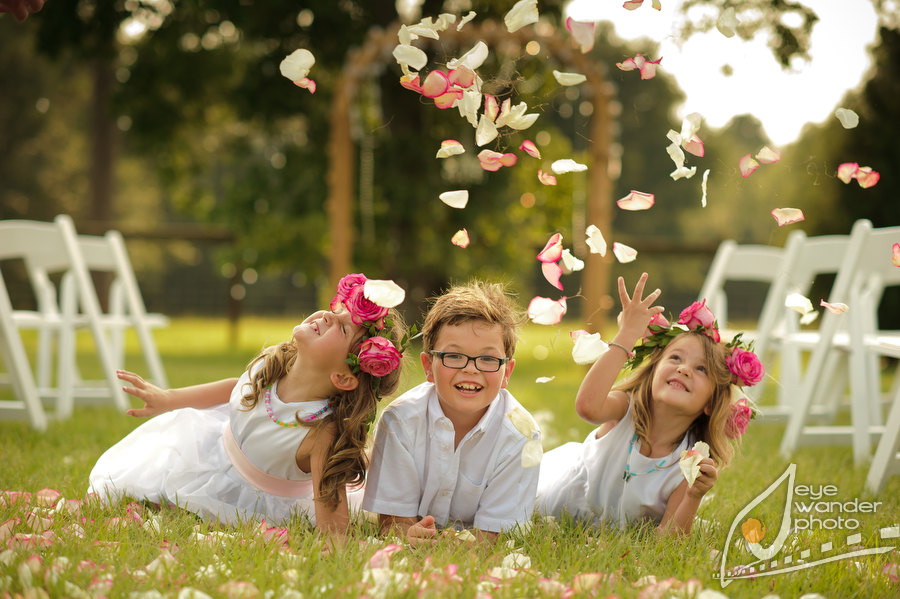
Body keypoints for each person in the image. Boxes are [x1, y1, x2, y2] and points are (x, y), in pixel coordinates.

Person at [88, 273, 409, 539]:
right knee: (143, 484)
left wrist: (335, 540)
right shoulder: (276, 363)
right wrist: (168, 399)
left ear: (343, 377)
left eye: (342, 327)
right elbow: (236, 388)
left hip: (257, 495)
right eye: (337, 310)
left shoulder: (322, 432)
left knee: (184, 505)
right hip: (212, 452)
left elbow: (332, 518)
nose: (328, 316)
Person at [536, 273, 761, 534]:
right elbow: (587, 406)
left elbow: (669, 538)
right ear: (653, 371)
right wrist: (627, 335)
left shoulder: (691, 462)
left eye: (701, 369)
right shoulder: (626, 409)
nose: (684, 369)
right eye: (675, 358)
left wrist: (694, 495)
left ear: (710, 403)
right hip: (559, 501)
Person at [362, 281, 541, 543]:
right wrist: (408, 535)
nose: (471, 369)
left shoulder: (521, 435)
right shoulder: (399, 421)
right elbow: (393, 524)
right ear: (428, 366)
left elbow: (494, 535)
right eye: (454, 356)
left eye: (488, 359)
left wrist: (455, 547)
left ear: (507, 373)